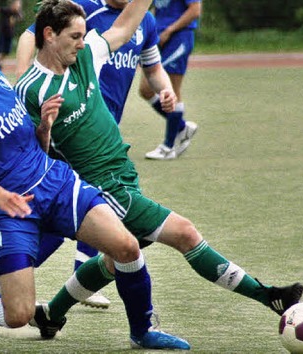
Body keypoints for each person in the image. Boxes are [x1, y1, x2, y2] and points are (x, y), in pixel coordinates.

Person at [15, 0, 303, 341]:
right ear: (49, 35)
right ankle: (268, 296)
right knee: (183, 233)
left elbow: (123, 28)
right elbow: (33, 158)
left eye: (83, 36)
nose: (83, 41)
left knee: (114, 259)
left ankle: (51, 315)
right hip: (100, 185)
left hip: (123, 172)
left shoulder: (86, 55)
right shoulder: (29, 90)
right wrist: (44, 130)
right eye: (75, 36)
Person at [0, 3, 190, 351]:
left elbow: (22, 137)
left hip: (56, 182)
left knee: (126, 246)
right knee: (17, 313)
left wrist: (44, 129)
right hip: (13, 208)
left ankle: (142, 330)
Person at [14, 0, 179, 308]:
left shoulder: (146, 21)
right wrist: (25, 78)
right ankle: (19, 272)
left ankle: (42, 273)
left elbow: (153, 67)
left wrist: (164, 90)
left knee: (93, 208)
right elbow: (30, 34)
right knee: (79, 209)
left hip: (102, 126)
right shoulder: (85, 9)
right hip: (70, 128)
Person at [139, 0, 201, 160]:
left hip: (178, 38)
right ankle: (181, 127)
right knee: (145, 89)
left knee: (172, 90)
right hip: (159, 39)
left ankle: (168, 147)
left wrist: (170, 30)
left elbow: (195, 10)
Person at [0, 0, 23, 70]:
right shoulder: (7, 10)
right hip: (3, 33)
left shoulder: (16, 13)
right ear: (13, 4)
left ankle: (0, 63)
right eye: (17, 4)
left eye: (19, 4)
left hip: (10, 34)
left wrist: (18, 11)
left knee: (6, 51)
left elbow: (21, 18)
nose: (18, 5)